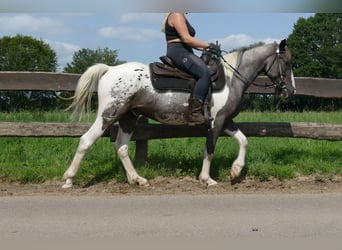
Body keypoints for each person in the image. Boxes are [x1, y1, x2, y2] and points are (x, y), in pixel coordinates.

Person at [161, 13, 220, 124]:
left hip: (185, 50)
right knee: (204, 73)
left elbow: (189, 42)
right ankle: (194, 113)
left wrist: (208, 49)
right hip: (178, 51)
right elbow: (186, 39)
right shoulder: (177, 14)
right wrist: (209, 45)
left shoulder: (181, 15)